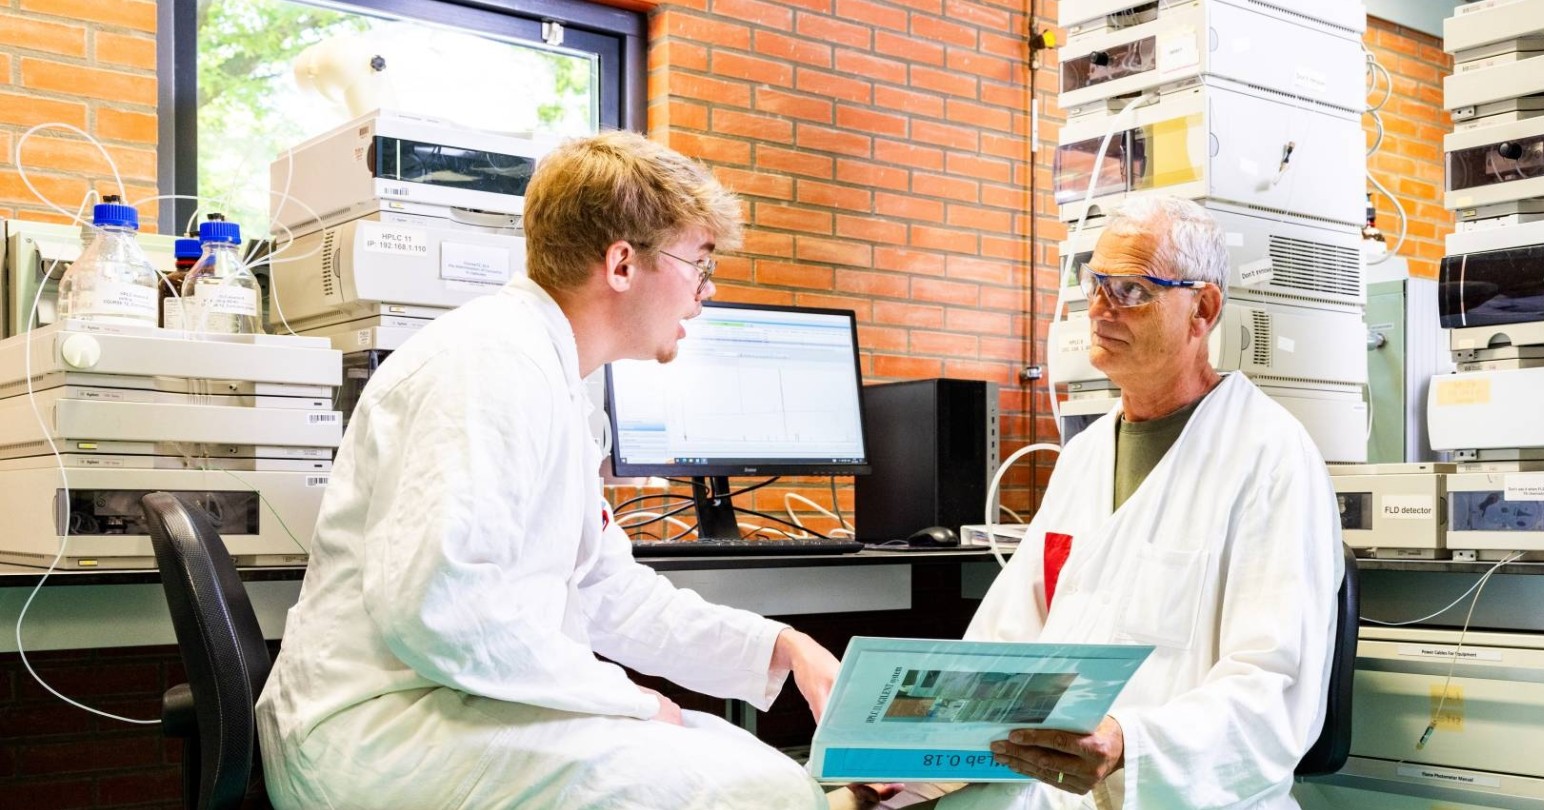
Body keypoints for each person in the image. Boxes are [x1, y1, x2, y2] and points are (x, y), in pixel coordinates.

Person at [256, 131, 838, 809]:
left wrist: (781, 647)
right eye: (699, 264)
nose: (703, 294)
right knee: (761, 789)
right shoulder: (487, 365)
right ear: (622, 264)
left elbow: (607, 591)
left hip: (451, 705)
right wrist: (627, 700)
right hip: (378, 734)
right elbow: (441, 610)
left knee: (754, 763)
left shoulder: (551, 375)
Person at [851, 197, 1343, 809]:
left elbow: (1273, 688)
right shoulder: (1083, 457)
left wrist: (1129, 742)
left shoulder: (1270, 457)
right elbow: (1007, 643)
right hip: (1051, 786)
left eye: (1131, 289)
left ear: (1203, 309)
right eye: (1096, 284)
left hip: (1178, 794)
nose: (1101, 309)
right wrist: (914, 751)